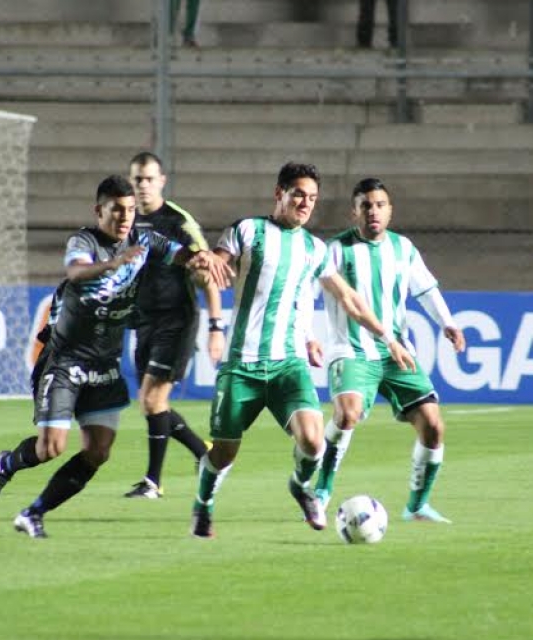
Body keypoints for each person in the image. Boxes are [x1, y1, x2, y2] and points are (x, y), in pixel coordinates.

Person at [0, 174, 231, 539]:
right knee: (51, 448)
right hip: (65, 359)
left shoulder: (143, 239)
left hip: (104, 363)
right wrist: (113, 264)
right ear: (100, 211)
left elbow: (180, 253)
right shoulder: (84, 240)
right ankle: (7, 464)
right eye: (116, 210)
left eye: (129, 210)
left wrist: (202, 257)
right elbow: (76, 272)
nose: (125, 217)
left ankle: (34, 513)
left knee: (98, 451)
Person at [190, 162, 416, 539]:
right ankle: (204, 505)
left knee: (312, 440)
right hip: (242, 363)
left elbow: (349, 299)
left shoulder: (315, 248)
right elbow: (212, 271)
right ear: (279, 193)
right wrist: (200, 268)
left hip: (288, 365)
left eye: (312, 198)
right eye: (298, 195)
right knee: (224, 452)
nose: (305, 203)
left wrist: (387, 337)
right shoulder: (247, 230)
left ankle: (300, 486)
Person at [311, 178, 466, 524]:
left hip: (395, 352)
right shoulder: (334, 250)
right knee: (348, 413)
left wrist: (448, 323)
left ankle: (416, 506)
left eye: (380, 205)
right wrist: (308, 334)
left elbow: (425, 289)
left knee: (433, 424)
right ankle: (320, 491)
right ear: (355, 212)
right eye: (366, 205)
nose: (373, 211)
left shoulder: (403, 248)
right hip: (351, 349)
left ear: (390, 210)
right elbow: (305, 295)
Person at [123, 152, 223, 499]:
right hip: (143, 322)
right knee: (151, 404)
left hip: (177, 320)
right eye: (137, 179)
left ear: (162, 181)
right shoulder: (127, 221)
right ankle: (204, 453)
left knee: (153, 401)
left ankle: (153, 482)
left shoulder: (178, 221)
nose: (143, 186)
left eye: (149, 179)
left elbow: (206, 271)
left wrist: (215, 327)